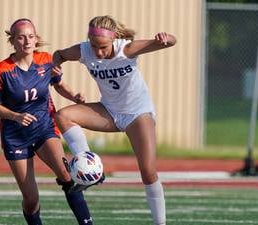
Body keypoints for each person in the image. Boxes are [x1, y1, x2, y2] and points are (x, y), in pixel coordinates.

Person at [52, 15, 176, 225]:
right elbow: (59, 55)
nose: (98, 52)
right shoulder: (84, 51)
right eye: (94, 46)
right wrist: (55, 69)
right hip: (109, 112)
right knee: (63, 116)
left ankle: (160, 223)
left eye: (103, 47)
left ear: (113, 39)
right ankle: (91, 169)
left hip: (137, 114)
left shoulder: (126, 49)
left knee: (148, 171)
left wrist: (166, 38)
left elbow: (171, 41)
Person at [0, 18, 94, 225]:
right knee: (31, 199)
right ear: (13, 41)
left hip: (44, 128)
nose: (27, 41)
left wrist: (74, 97)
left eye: (31, 36)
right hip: (16, 137)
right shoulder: (2, 71)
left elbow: (58, 84)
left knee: (67, 176)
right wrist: (15, 116)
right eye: (21, 37)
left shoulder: (45, 60)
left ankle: (87, 223)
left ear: (36, 39)